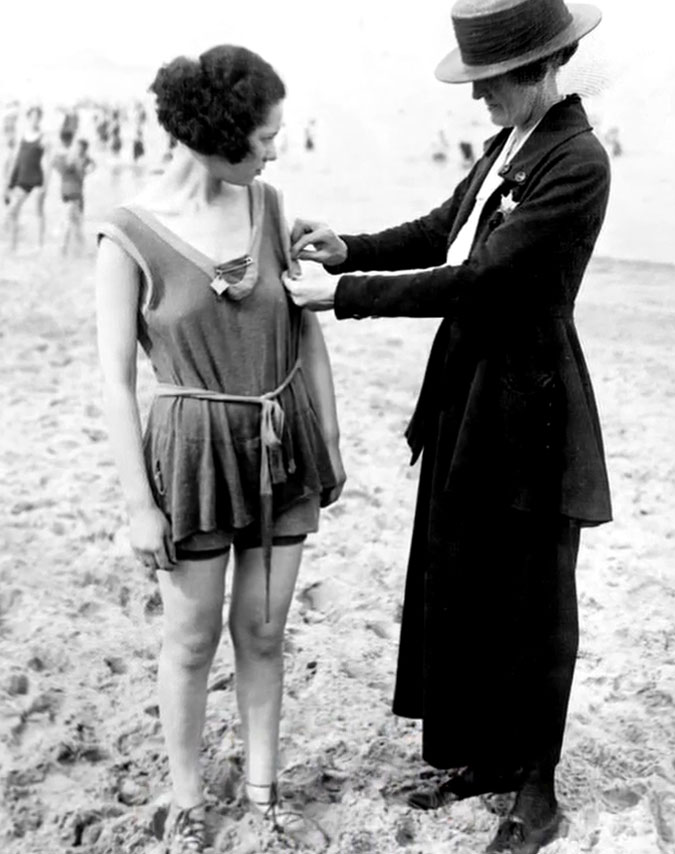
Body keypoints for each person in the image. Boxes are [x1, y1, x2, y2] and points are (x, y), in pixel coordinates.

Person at [286, 1, 611, 852]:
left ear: (543, 67)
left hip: (532, 403)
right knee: (464, 576)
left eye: (491, 83)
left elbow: (478, 279)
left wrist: (343, 301)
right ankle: (487, 758)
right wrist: (346, 251)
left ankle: (535, 792)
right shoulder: (511, 145)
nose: (479, 101)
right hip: (472, 393)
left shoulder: (576, 161)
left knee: (536, 601)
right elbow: (441, 231)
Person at [95, 45, 345, 854]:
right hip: (193, 456)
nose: (275, 151)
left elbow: (306, 333)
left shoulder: (270, 207)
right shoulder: (127, 234)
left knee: (265, 632)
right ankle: (189, 798)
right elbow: (116, 384)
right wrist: (140, 507)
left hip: (282, 447)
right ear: (222, 134)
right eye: (265, 137)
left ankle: (264, 791)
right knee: (193, 638)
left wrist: (330, 440)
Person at [5, 105, 51, 251]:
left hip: (36, 179)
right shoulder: (22, 136)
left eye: (37, 117)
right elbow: (15, 159)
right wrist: (8, 181)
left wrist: (46, 186)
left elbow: (48, 163)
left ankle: (40, 244)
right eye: (32, 116)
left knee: (38, 211)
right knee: (13, 211)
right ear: (28, 117)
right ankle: (13, 245)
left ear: (40, 119)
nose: (34, 120)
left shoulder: (43, 138)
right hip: (21, 178)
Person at [53, 136, 95, 255]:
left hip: (75, 196)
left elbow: (90, 168)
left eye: (80, 148)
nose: (78, 149)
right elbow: (55, 163)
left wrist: (85, 172)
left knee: (72, 222)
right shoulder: (69, 158)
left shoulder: (81, 160)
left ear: (84, 149)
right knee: (74, 223)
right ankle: (81, 250)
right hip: (70, 195)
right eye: (77, 147)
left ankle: (65, 250)